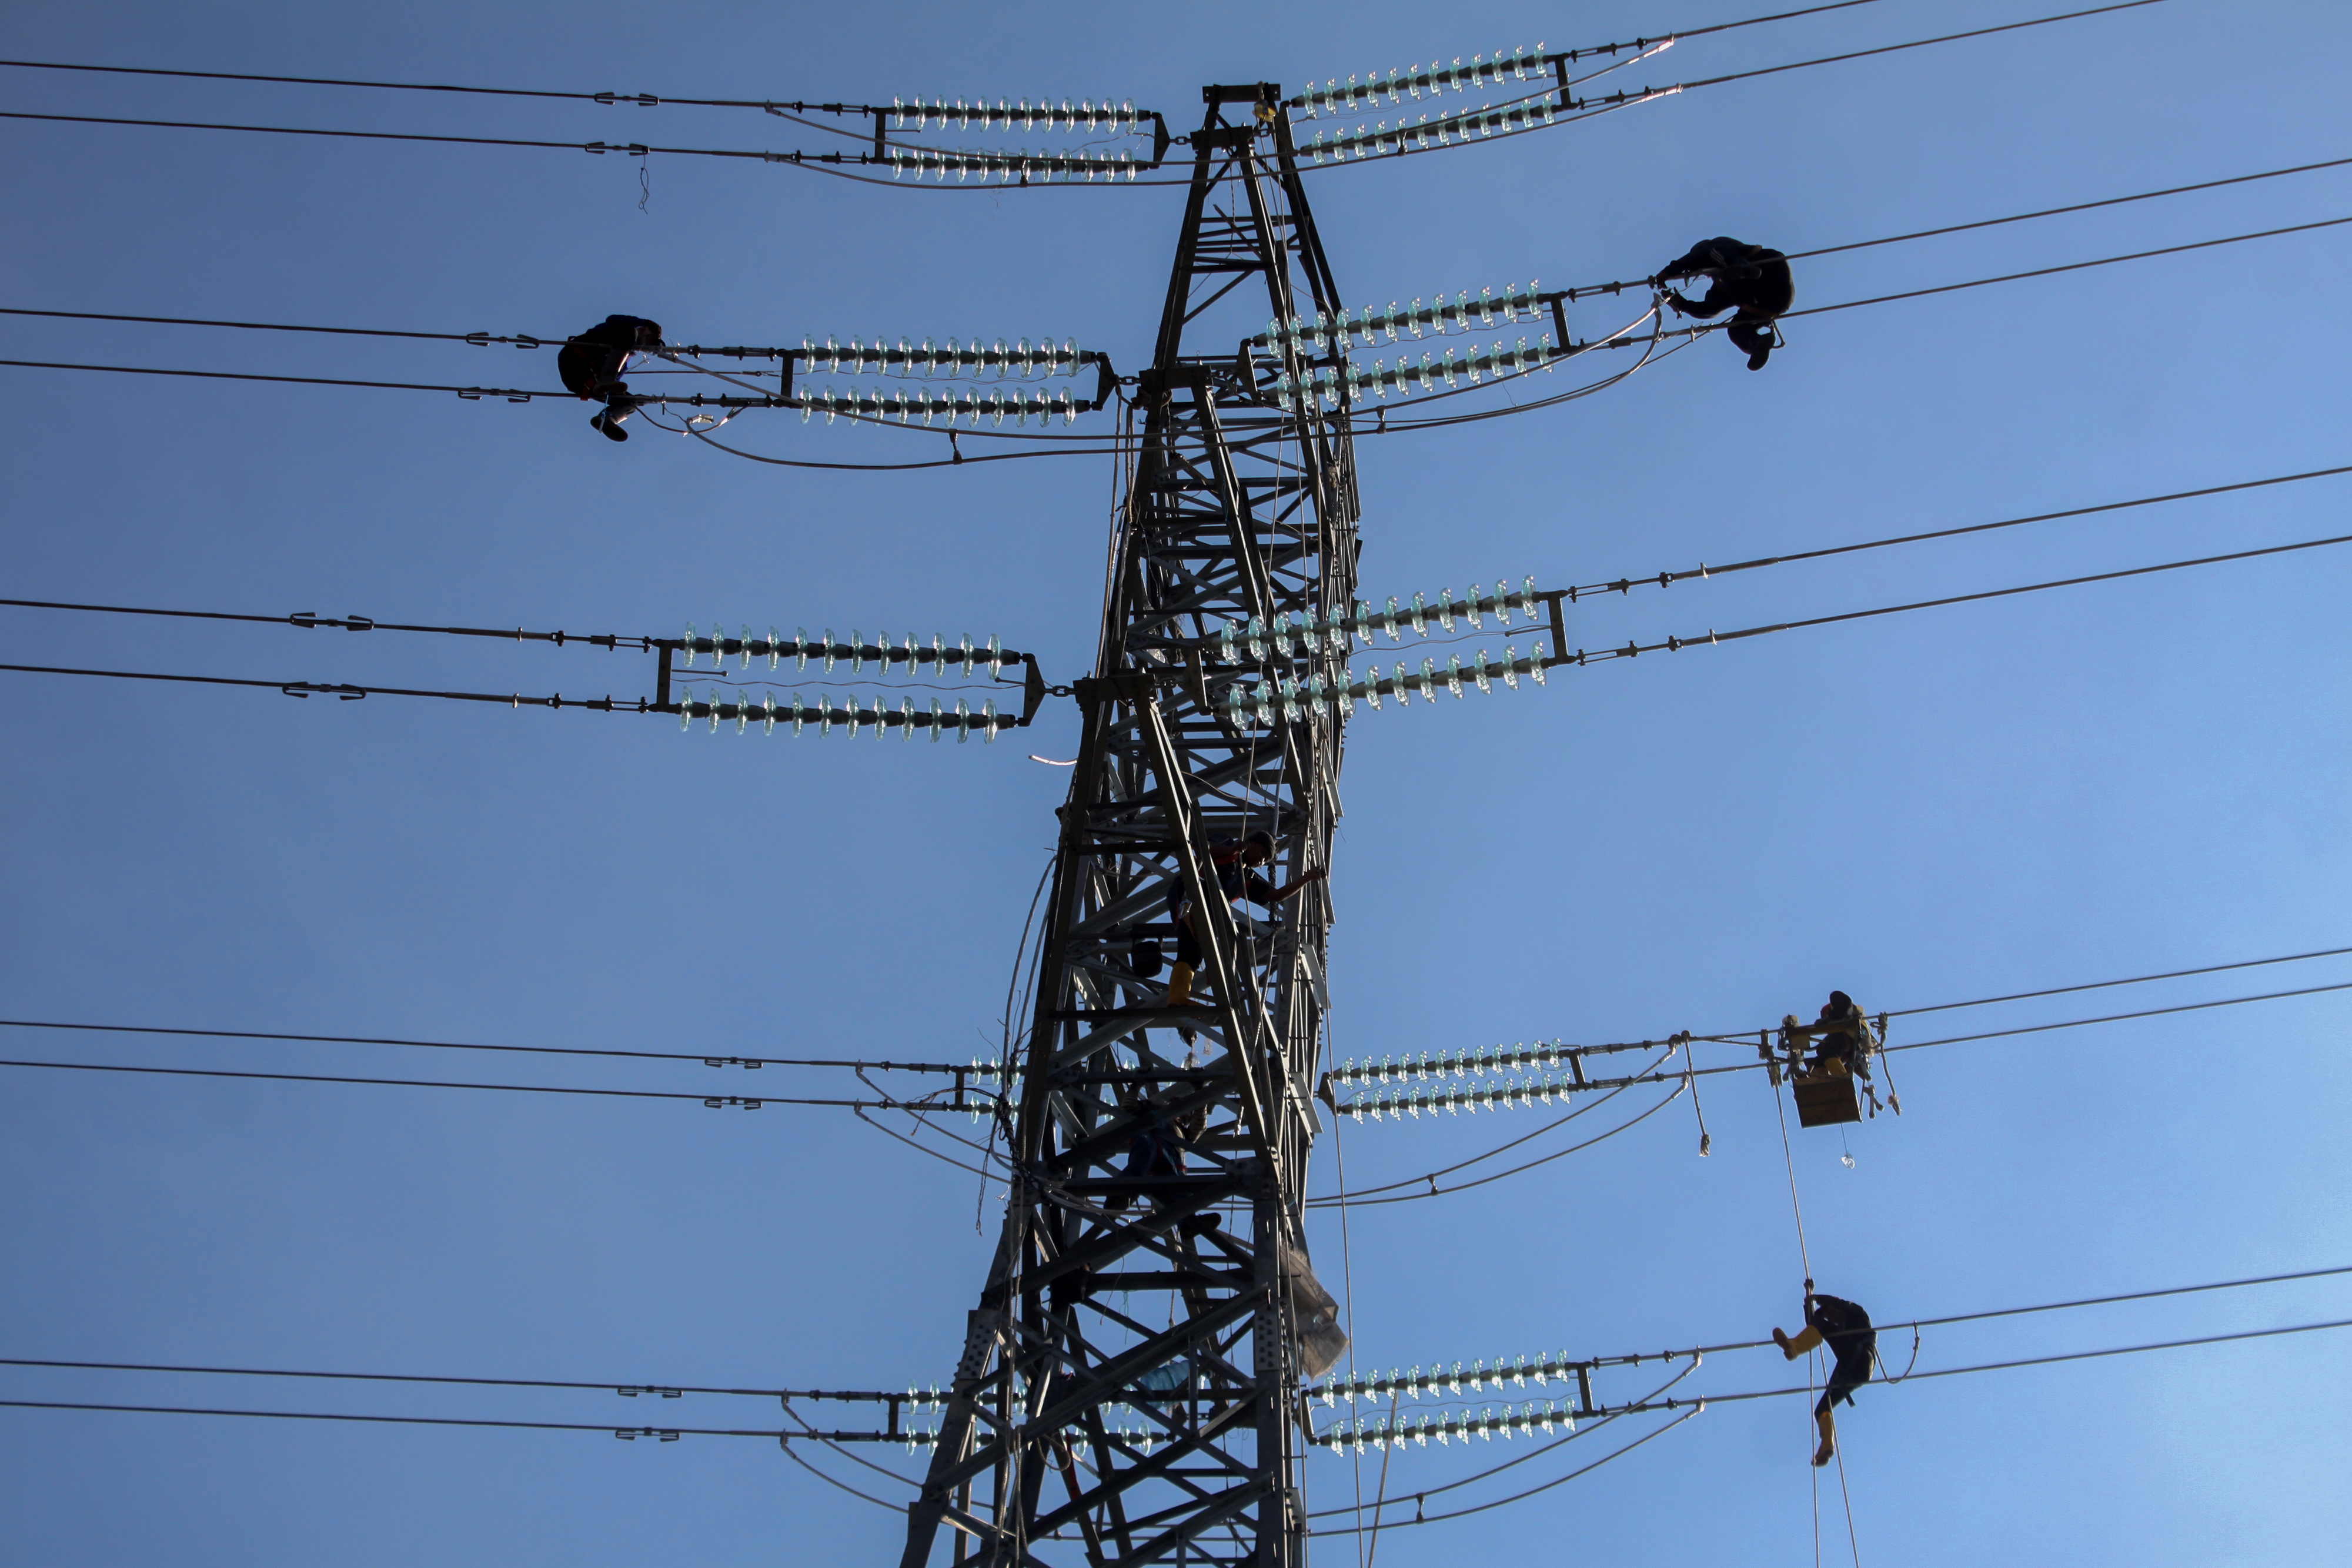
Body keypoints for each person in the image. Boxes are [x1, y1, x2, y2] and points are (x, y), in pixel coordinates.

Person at [1166, 830, 1327, 1035]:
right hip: (1189, 893)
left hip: (1207, 914)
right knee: (1195, 942)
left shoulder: (1246, 878)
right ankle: (1187, 989)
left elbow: (1276, 896)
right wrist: (1231, 849)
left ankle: (1178, 998)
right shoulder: (1227, 843)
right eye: (1261, 853)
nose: (1261, 860)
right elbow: (1202, 846)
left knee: (1192, 954)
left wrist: (1307, 878)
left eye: (1265, 860)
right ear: (1250, 842)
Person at [1773, 1284, 1876, 1465]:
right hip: (1852, 1372)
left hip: (1860, 1359)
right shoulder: (1840, 1330)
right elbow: (1814, 1326)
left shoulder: (1858, 1316)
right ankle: (1827, 1445)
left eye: (1831, 1314)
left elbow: (1841, 1306)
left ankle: (1794, 1347)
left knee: (1823, 1327)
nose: (1833, 1319)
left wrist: (1816, 1298)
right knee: (1821, 1409)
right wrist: (1808, 1301)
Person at [1655, 238, 1793, 370]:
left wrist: (1666, 273)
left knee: (1716, 254)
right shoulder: (1725, 286)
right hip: (1776, 301)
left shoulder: (1716, 249)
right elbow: (1709, 309)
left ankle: (1742, 266)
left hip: (1769, 268)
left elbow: (1693, 259)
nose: (1708, 276)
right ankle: (1758, 344)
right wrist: (1682, 304)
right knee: (1736, 330)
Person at [556, 315, 663, 441]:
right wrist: (644, 322)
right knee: (629, 332)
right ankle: (606, 380)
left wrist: (636, 399)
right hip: (574, 359)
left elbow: (615, 387)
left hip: (583, 383)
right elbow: (612, 319)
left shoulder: (623, 361)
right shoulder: (619, 331)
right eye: (651, 340)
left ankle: (606, 421)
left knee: (629, 402)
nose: (647, 345)